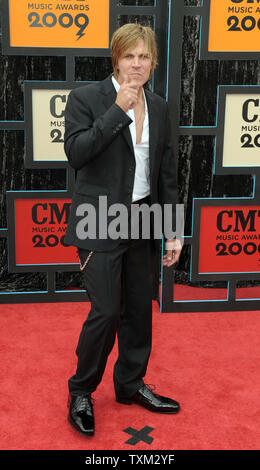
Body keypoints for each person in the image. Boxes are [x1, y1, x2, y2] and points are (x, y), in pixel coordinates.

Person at [64, 23, 182, 437]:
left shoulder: (162, 107)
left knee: (138, 311)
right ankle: (81, 391)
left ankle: (130, 384)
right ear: (116, 58)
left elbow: (166, 173)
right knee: (107, 311)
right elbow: (77, 154)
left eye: (144, 57)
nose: (137, 64)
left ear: (153, 63)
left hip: (144, 218)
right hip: (98, 218)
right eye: (129, 56)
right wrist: (118, 109)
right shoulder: (86, 99)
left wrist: (172, 229)